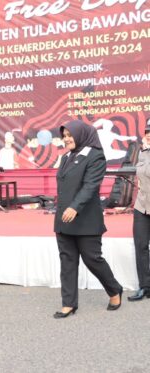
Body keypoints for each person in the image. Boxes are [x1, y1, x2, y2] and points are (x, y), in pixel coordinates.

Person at [53, 120, 123, 319]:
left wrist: (74, 207)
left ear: (81, 134)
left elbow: (90, 186)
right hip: (64, 219)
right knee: (67, 261)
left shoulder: (95, 155)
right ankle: (69, 304)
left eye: (69, 135)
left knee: (92, 259)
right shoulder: (67, 156)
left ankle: (114, 289)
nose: (66, 139)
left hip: (86, 220)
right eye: (64, 136)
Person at [129, 124, 150, 302]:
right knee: (141, 247)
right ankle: (145, 286)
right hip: (142, 206)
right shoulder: (143, 152)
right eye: (147, 132)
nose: (149, 135)